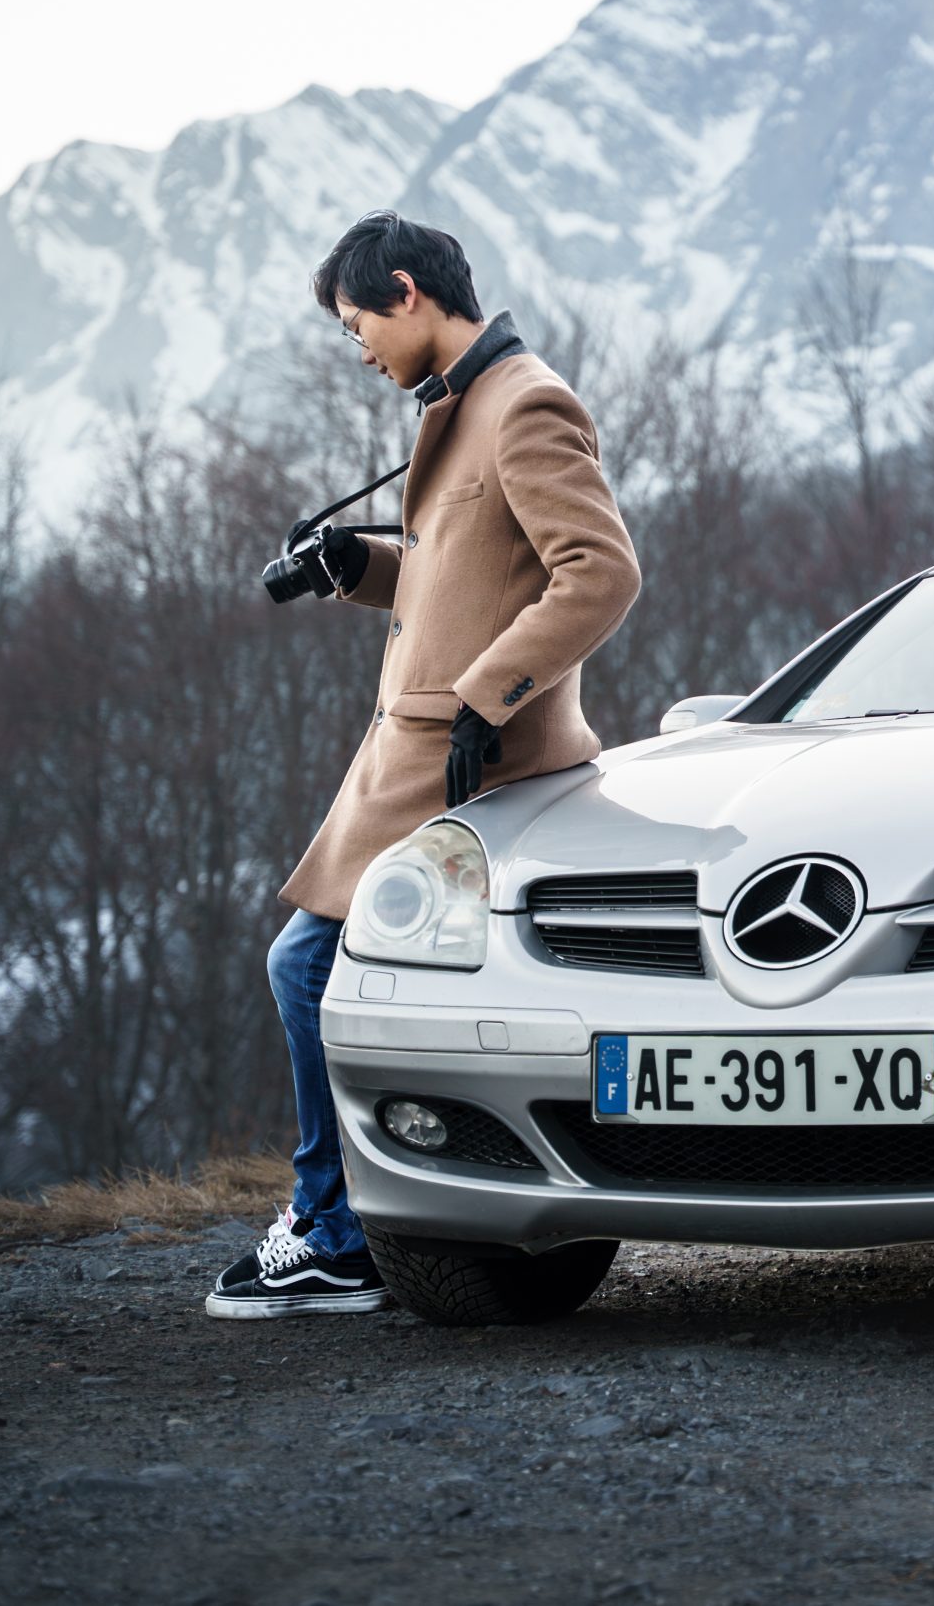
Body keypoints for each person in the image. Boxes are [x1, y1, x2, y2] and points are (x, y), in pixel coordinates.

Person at [208, 211, 642, 1318]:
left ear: (406, 292)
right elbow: (469, 572)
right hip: (417, 760)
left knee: (306, 968)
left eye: (357, 323)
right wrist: (359, 565)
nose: (354, 345)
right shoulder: (462, 404)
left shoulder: (524, 400)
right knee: (339, 976)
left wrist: (483, 700)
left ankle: (337, 1230)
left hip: (465, 766)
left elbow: (598, 573)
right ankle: (396, 1211)